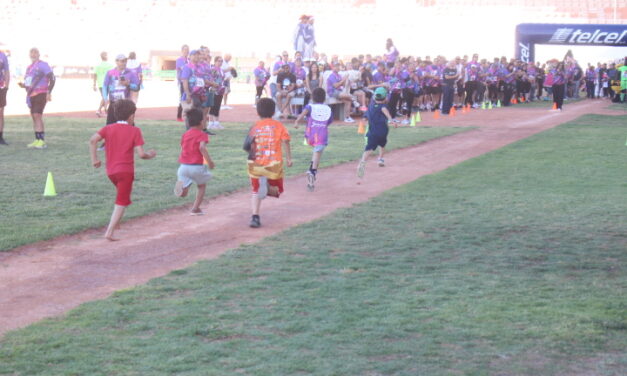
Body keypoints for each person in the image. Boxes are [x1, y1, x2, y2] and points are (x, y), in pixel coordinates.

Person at [88, 99, 156, 241]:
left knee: (123, 198)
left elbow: (93, 140)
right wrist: (150, 155)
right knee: (122, 201)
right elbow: (141, 154)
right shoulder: (135, 131)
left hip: (111, 172)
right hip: (126, 172)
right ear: (131, 116)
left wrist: (94, 159)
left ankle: (116, 223)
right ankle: (110, 232)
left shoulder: (108, 128)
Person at [243, 98, 292, 228]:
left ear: (258, 112)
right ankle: (265, 186)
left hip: (255, 164)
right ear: (273, 111)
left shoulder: (254, 127)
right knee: (276, 191)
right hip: (273, 165)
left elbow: (246, 146)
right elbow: (286, 141)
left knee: (255, 190)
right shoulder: (279, 126)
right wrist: (288, 158)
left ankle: (255, 217)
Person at [174, 108, 215, 215]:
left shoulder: (185, 134)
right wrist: (209, 162)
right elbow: (202, 148)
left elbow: (182, 147)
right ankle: (195, 208)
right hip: (196, 167)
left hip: (183, 167)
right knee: (201, 186)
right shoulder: (202, 134)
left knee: (183, 193)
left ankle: (179, 188)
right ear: (201, 122)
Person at [294, 87, 332, 191]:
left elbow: (303, 113)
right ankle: (312, 171)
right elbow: (328, 121)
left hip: (310, 136)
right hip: (322, 135)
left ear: (312, 98)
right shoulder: (328, 109)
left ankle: (312, 169)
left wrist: (297, 122)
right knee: (317, 154)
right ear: (324, 98)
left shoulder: (310, 106)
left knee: (315, 152)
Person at [18, 48, 55, 149]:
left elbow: (52, 78)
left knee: (37, 115)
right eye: (31, 53)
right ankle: (37, 139)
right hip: (31, 95)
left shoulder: (43, 65)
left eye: (35, 53)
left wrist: (49, 92)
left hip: (41, 93)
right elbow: (28, 83)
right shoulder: (29, 67)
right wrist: (23, 85)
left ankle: (41, 141)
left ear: (39, 54)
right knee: (34, 117)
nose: (33, 54)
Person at [357, 87, 392, 178]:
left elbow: (365, 117)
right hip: (383, 131)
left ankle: (362, 163)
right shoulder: (383, 106)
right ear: (385, 98)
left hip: (372, 132)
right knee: (382, 144)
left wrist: (364, 119)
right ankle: (380, 159)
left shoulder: (371, 106)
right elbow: (385, 110)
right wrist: (391, 119)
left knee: (368, 149)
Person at [102, 54, 140, 126]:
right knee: (110, 127)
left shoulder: (131, 73)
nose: (124, 63)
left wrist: (128, 84)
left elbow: (137, 87)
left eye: (125, 61)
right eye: (122, 61)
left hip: (125, 104)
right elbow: (105, 86)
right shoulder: (110, 72)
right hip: (114, 103)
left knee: (128, 128)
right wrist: (105, 98)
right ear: (116, 61)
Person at [92, 51, 113, 118]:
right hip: (108, 83)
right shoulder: (110, 65)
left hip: (100, 83)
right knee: (106, 98)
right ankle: (103, 110)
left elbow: (95, 75)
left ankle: (102, 110)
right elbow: (112, 75)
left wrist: (94, 84)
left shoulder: (97, 65)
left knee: (104, 97)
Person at [175, 44, 189, 122]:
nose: (186, 51)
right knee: (183, 98)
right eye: (185, 50)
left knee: (189, 98)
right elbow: (182, 68)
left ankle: (187, 115)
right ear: (182, 51)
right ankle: (179, 116)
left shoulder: (189, 59)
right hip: (182, 82)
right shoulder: (179, 60)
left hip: (189, 82)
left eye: (187, 50)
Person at [0, 49, 10, 145]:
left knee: (0, 112)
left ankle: (0, 136)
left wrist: (6, 86)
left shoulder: (2, 55)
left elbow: (7, 71)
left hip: (0, 86)